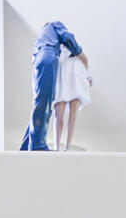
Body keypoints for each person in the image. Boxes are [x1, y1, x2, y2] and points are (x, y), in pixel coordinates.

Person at [19, 19, 84, 150]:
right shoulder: (55, 25)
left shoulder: (41, 39)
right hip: (48, 58)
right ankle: (38, 145)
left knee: (39, 103)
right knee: (44, 104)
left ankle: (25, 147)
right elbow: (68, 38)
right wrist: (79, 53)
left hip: (38, 62)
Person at [53, 44, 92, 149]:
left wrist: (88, 77)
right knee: (59, 114)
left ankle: (67, 147)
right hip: (62, 81)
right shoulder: (57, 48)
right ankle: (57, 147)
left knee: (73, 114)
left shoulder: (76, 47)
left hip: (75, 81)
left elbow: (84, 61)